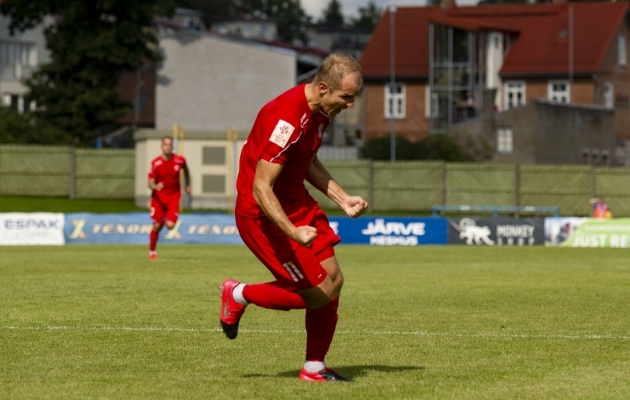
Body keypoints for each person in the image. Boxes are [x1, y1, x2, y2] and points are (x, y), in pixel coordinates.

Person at [219, 54, 368, 382]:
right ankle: (239, 293)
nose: (351, 105)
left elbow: (308, 162)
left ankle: (314, 367)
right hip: (263, 216)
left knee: (334, 281)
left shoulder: (321, 112)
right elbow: (261, 186)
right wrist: (292, 231)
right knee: (317, 293)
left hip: (296, 204)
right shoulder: (285, 118)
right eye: (347, 97)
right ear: (325, 87)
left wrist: (343, 199)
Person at [147, 136, 190, 260]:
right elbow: (149, 182)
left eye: (170, 144)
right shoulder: (155, 163)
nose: (167, 146)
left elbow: (186, 170)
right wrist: (155, 186)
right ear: (161, 146)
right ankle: (152, 251)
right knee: (156, 226)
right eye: (165, 144)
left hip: (173, 197)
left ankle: (165, 218)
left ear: (172, 146)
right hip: (158, 198)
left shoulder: (179, 160)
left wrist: (187, 184)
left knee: (170, 225)